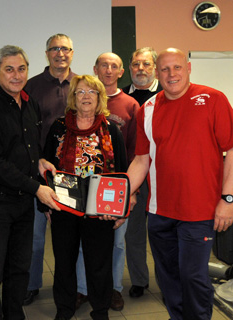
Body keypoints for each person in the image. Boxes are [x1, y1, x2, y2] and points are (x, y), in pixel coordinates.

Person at [127, 48, 233, 320]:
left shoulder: (213, 99)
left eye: (177, 68)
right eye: (164, 69)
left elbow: (231, 150)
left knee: (193, 276)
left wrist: (229, 199)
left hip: (200, 212)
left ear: (188, 68)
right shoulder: (147, 109)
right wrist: (123, 194)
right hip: (160, 212)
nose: (171, 74)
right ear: (157, 73)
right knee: (169, 278)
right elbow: (141, 160)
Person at [0, 45, 59, 320]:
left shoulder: (29, 102)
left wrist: (40, 162)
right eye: (9, 69)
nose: (16, 75)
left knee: (19, 268)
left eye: (21, 69)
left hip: (23, 203)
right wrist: (37, 188)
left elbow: (28, 147)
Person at [43, 75, 127, 320]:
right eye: (80, 92)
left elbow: (121, 170)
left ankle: (100, 310)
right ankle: (65, 309)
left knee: (99, 263)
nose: (86, 96)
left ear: (100, 97)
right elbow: (46, 166)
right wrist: (45, 203)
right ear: (73, 98)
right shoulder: (59, 127)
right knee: (64, 263)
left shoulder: (111, 129)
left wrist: (120, 209)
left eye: (92, 92)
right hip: (63, 205)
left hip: (100, 207)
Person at [74, 52, 139, 311]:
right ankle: (82, 289)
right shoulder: (75, 112)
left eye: (114, 66)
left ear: (121, 71)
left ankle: (112, 288)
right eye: (104, 65)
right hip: (82, 189)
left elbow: (135, 153)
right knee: (83, 243)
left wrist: (130, 192)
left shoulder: (130, 105)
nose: (109, 70)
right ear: (96, 69)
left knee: (117, 241)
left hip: (115, 188)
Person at [22, 33, 77, 306]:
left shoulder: (81, 85)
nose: (60, 53)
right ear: (47, 54)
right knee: (34, 237)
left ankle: (74, 290)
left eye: (65, 49)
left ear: (72, 52)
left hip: (73, 177)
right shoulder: (30, 87)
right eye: (54, 49)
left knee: (70, 238)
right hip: (38, 173)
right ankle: (31, 285)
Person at [122, 47, 163, 298]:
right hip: (134, 173)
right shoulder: (122, 97)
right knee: (134, 232)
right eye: (136, 64)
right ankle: (139, 280)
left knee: (161, 232)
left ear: (154, 68)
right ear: (129, 68)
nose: (141, 69)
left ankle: (167, 279)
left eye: (146, 64)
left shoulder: (167, 93)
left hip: (161, 176)